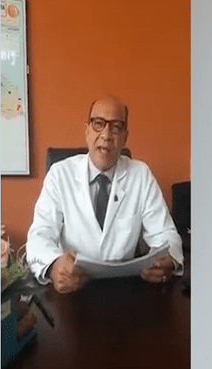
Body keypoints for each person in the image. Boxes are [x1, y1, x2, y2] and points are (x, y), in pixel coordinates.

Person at [26, 96, 184, 293]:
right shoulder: (59, 174)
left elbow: (165, 233)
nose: (107, 135)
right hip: (71, 289)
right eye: (98, 124)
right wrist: (53, 266)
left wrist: (169, 260)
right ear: (87, 131)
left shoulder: (141, 175)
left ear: (125, 137)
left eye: (116, 127)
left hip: (124, 289)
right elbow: (39, 235)